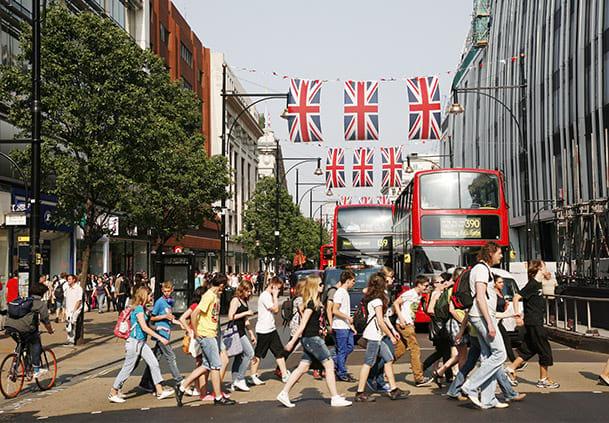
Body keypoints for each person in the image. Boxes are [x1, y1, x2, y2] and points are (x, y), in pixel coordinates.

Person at [277, 276, 352, 408]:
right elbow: (302, 325)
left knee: (303, 367)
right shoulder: (311, 304)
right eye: (320, 284)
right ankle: (334, 397)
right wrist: (292, 341)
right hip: (312, 339)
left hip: (312, 338)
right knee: (329, 365)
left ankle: (284, 393)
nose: (323, 286)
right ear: (313, 286)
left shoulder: (315, 302)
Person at [460, 241, 510, 409]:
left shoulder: (483, 269)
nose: (501, 256)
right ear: (491, 254)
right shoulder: (481, 270)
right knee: (500, 355)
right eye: (499, 253)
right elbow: (481, 297)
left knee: (489, 356)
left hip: (481, 316)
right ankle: (470, 385)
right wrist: (490, 323)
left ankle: (488, 399)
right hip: (482, 317)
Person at [175, 274, 236, 406]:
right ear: (221, 285)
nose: (223, 289)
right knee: (215, 366)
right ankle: (218, 397)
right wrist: (196, 332)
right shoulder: (208, 296)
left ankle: (182, 386)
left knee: (206, 366)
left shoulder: (214, 296)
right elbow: (195, 313)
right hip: (206, 335)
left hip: (210, 334)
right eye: (223, 286)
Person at [108, 286, 173, 403]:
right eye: (149, 295)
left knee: (153, 363)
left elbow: (147, 326)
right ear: (144, 295)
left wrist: (159, 328)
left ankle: (159, 391)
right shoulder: (138, 309)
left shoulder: (142, 309)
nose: (151, 297)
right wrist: (160, 338)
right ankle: (113, 391)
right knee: (128, 368)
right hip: (134, 343)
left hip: (141, 342)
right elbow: (144, 327)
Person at [506, 260, 560, 389]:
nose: (547, 269)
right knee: (544, 350)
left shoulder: (539, 284)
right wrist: (517, 315)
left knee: (529, 349)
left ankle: (510, 369)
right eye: (545, 267)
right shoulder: (532, 285)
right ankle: (543, 379)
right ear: (540, 268)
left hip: (535, 321)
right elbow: (516, 297)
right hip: (534, 322)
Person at [355, 273, 406, 402]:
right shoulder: (377, 301)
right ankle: (360, 392)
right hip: (374, 336)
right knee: (368, 363)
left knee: (388, 359)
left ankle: (393, 389)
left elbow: (384, 317)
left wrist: (393, 330)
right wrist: (390, 334)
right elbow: (380, 321)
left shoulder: (372, 298)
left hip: (377, 335)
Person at [139, 281, 185, 393]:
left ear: (172, 290)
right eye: (165, 291)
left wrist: (179, 323)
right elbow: (153, 318)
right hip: (161, 333)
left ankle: (146, 382)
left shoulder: (168, 302)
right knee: (171, 357)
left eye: (168, 291)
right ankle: (179, 380)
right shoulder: (160, 302)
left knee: (155, 358)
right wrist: (164, 316)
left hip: (166, 332)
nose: (167, 293)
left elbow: (169, 317)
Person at [5, 282, 54, 378]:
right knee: (35, 342)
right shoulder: (40, 304)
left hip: (10, 327)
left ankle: (14, 369)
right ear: (43, 293)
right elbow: (45, 320)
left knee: (21, 344)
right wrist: (50, 330)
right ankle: (36, 369)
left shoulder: (22, 300)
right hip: (25, 329)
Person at [393, 275, 433, 387]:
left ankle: (380, 368)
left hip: (408, 323)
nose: (426, 287)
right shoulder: (410, 293)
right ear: (419, 284)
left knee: (400, 350)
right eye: (425, 285)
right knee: (415, 349)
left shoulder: (418, 294)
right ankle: (418, 378)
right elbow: (396, 303)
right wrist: (401, 318)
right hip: (405, 324)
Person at [249, 276, 290, 384]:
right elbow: (276, 309)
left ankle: (284, 374)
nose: (279, 291)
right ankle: (253, 375)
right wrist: (275, 297)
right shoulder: (265, 296)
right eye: (278, 288)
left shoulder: (268, 296)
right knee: (259, 353)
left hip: (271, 328)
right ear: (273, 286)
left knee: (279, 352)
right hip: (264, 330)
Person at [227, 279, 257, 392]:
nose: (249, 293)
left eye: (250, 291)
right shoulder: (236, 300)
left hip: (242, 330)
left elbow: (246, 321)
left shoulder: (244, 301)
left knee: (239, 356)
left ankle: (234, 381)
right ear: (242, 290)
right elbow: (230, 317)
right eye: (248, 291)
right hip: (236, 331)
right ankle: (240, 378)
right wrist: (246, 313)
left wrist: (251, 334)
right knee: (250, 353)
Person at [332, 270, 357, 382]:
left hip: (346, 326)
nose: (354, 283)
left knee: (350, 347)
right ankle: (342, 372)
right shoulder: (339, 293)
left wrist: (350, 325)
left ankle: (336, 364)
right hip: (340, 326)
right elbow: (335, 310)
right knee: (342, 350)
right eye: (353, 281)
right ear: (347, 281)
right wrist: (348, 318)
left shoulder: (345, 293)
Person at [494, 275, 519, 364]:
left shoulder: (500, 292)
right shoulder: (493, 293)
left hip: (500, 320)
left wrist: (506, 305)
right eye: (499, 282)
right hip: (495, 320)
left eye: (502, 282)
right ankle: (513, 361)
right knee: (505, 340)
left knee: (505, 340)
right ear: (494, 283)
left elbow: (501, 308)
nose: (502, 284)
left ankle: (512, 361)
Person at [64, 274, 83, 346]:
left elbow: (79, 300)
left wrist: (75, 309)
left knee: (72, 323)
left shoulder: (78, 288)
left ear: (73, 280)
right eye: (68, 279)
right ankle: (69, 340)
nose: (68, 281)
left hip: (74, 309)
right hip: (68, 309)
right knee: (68, 324)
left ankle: (72, 341)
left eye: (69, 279)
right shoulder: (68, 288)